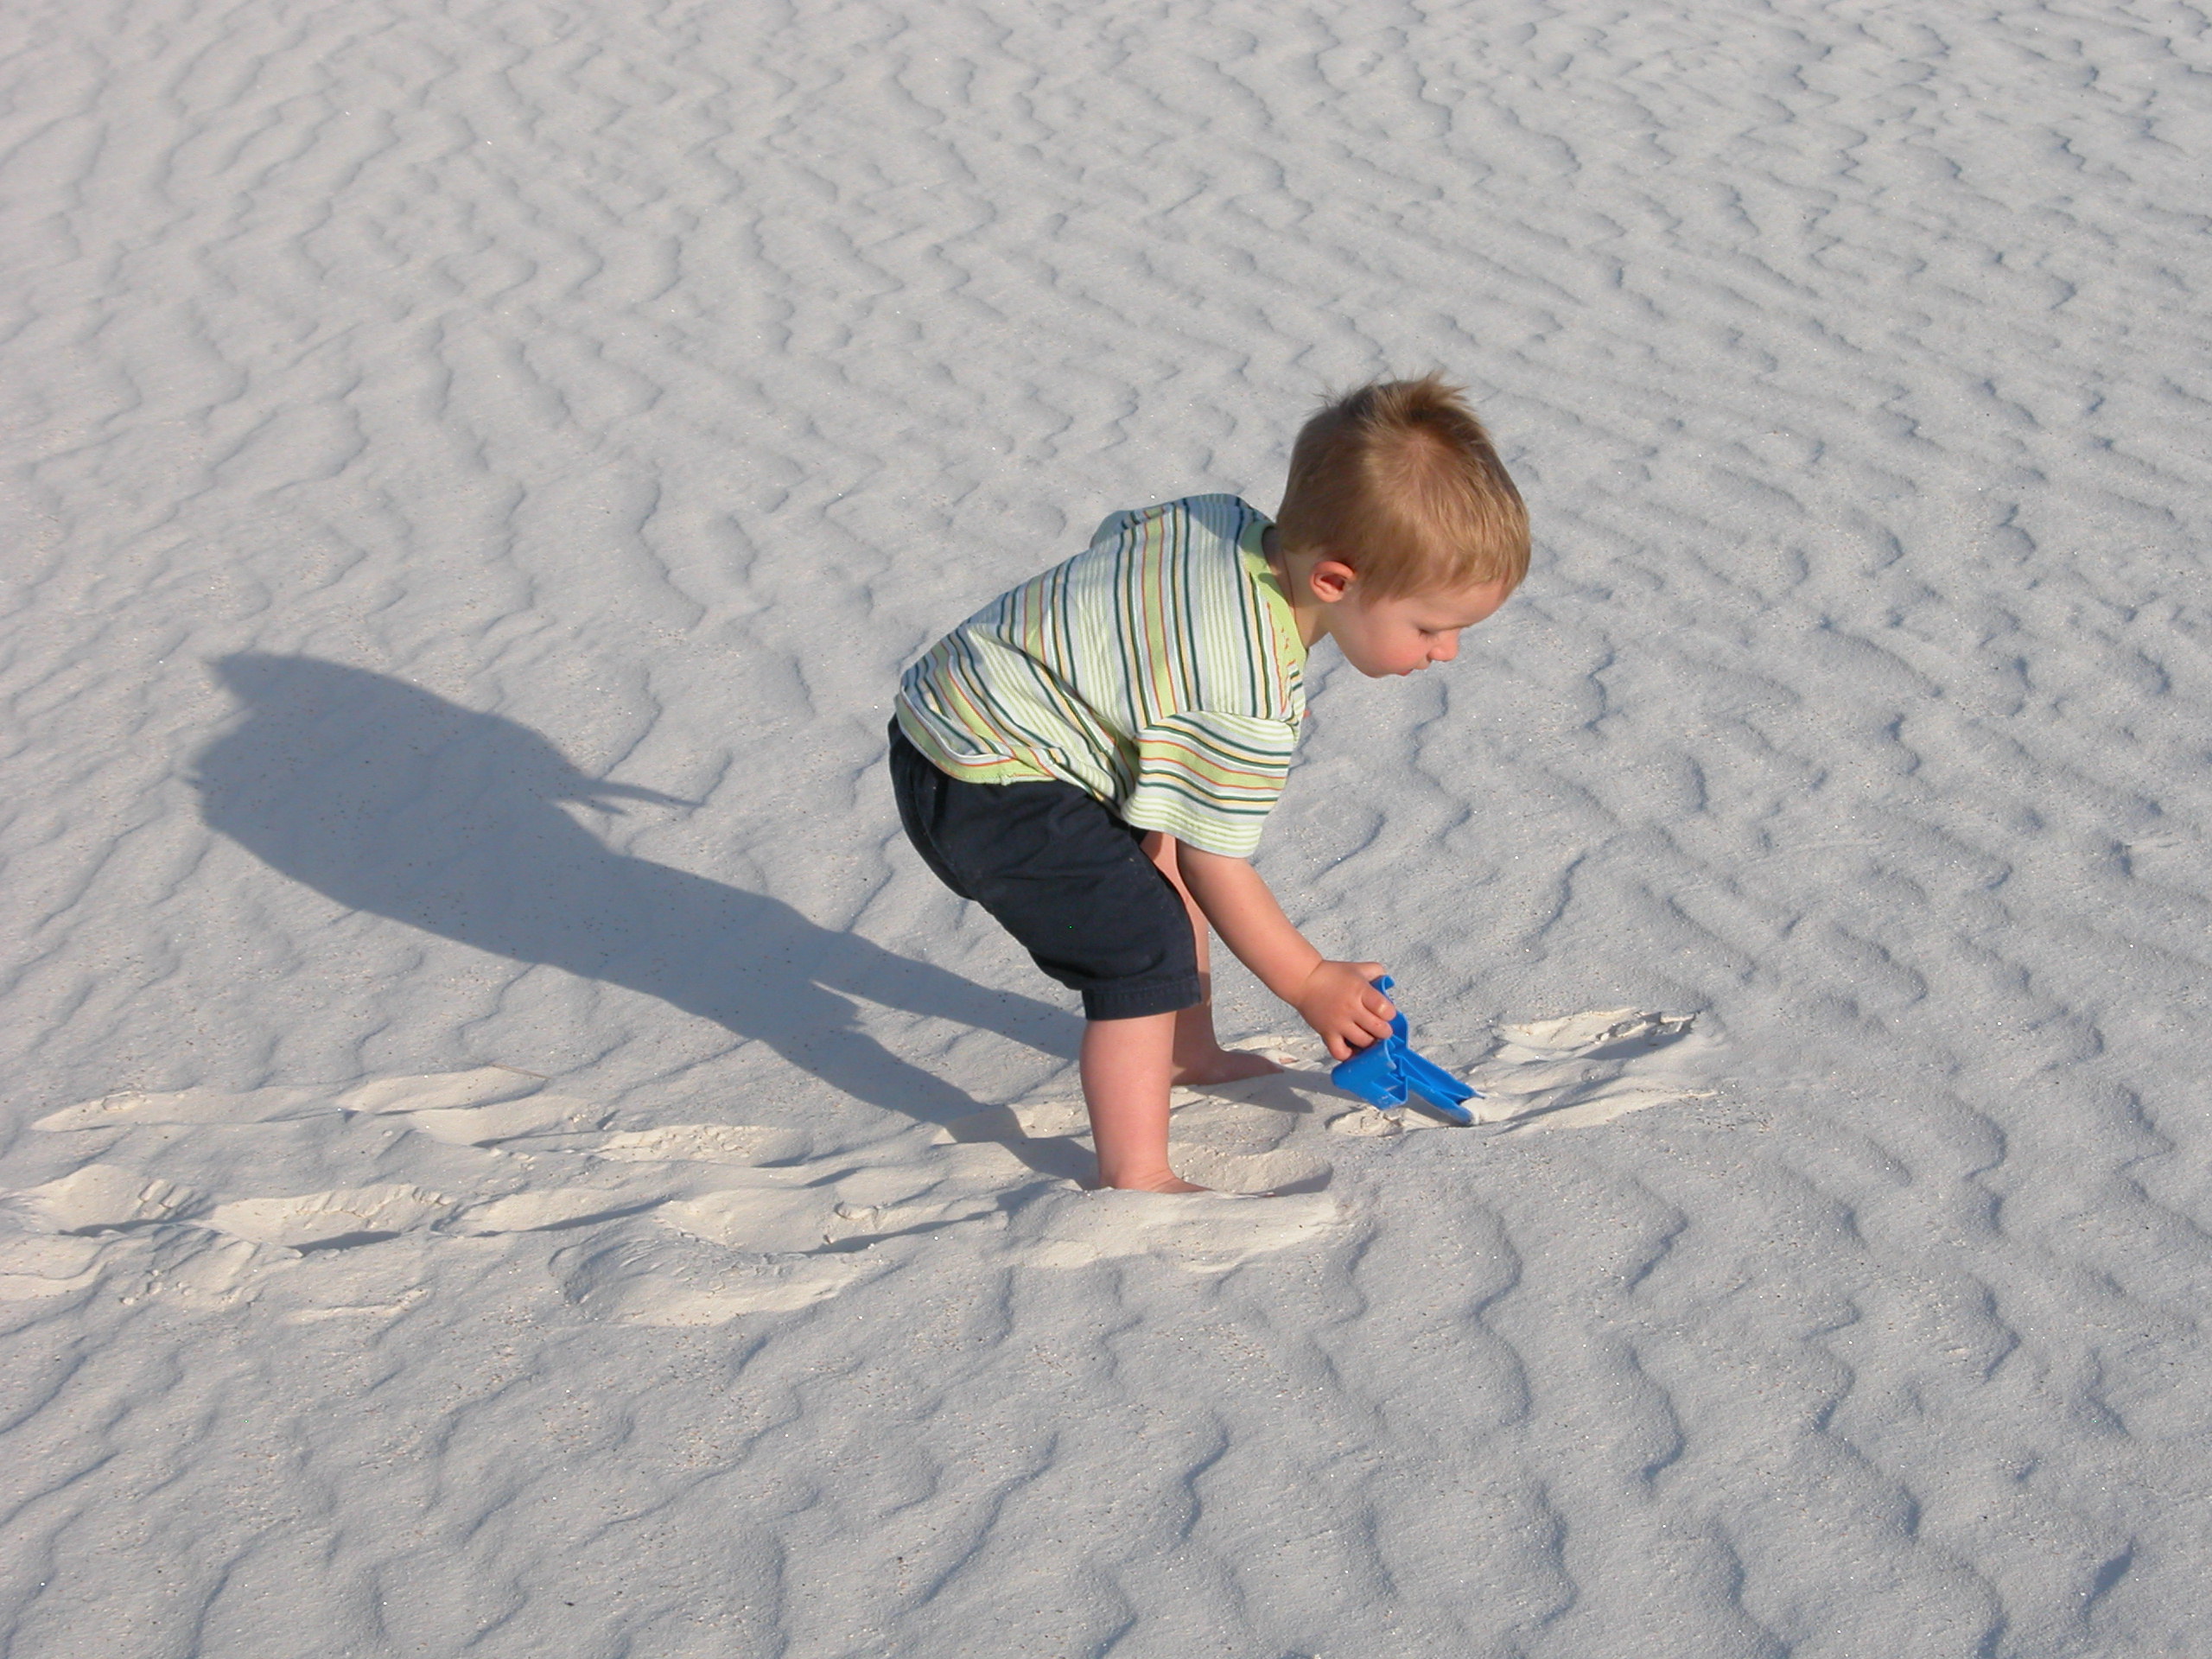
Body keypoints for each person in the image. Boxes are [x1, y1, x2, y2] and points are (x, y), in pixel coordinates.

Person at [889, 376, 1529, 1191]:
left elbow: (1118, 541)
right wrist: (1310, 981)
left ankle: (1187, 1052)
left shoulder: (1218, 518)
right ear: (1334, 582)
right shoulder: (1246, 694)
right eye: (1431, 627)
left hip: (949, 709)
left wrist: (1163, 676)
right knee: (1139, 950)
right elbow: (1217, 866)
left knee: (1158, 848)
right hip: (985, 781)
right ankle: (1135, 1174)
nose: (1447, 651)